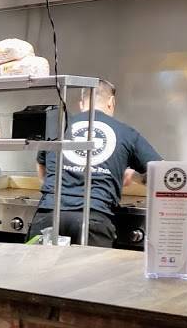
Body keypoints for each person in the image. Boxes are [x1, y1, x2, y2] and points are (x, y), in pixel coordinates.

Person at [30, 80, 161, 247]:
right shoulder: (126, 133)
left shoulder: (58, 128)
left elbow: (42, 166)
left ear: (81, 103)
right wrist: (134, 176)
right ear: (111, 102)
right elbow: (162, 174)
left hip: (48, 215)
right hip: (94, 219)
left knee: (39, 265)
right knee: (89, 266)